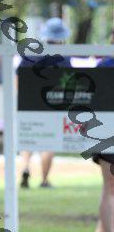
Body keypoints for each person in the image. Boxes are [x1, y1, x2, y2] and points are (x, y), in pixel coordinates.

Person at [18, 16, 71, 188]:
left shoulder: (31, 53)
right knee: (50, 141)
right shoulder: (63, 57)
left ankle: (26, 167)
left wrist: (21, 97)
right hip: (52, 103)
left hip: (28, 102)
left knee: (28, 138)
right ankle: (44, 179)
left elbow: (18, 77)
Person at [92, 28, 114, 232]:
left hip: (105, 130)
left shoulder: (103, 66)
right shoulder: (104, 66)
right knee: (109, 187)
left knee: (109, 187)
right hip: (107, 130)